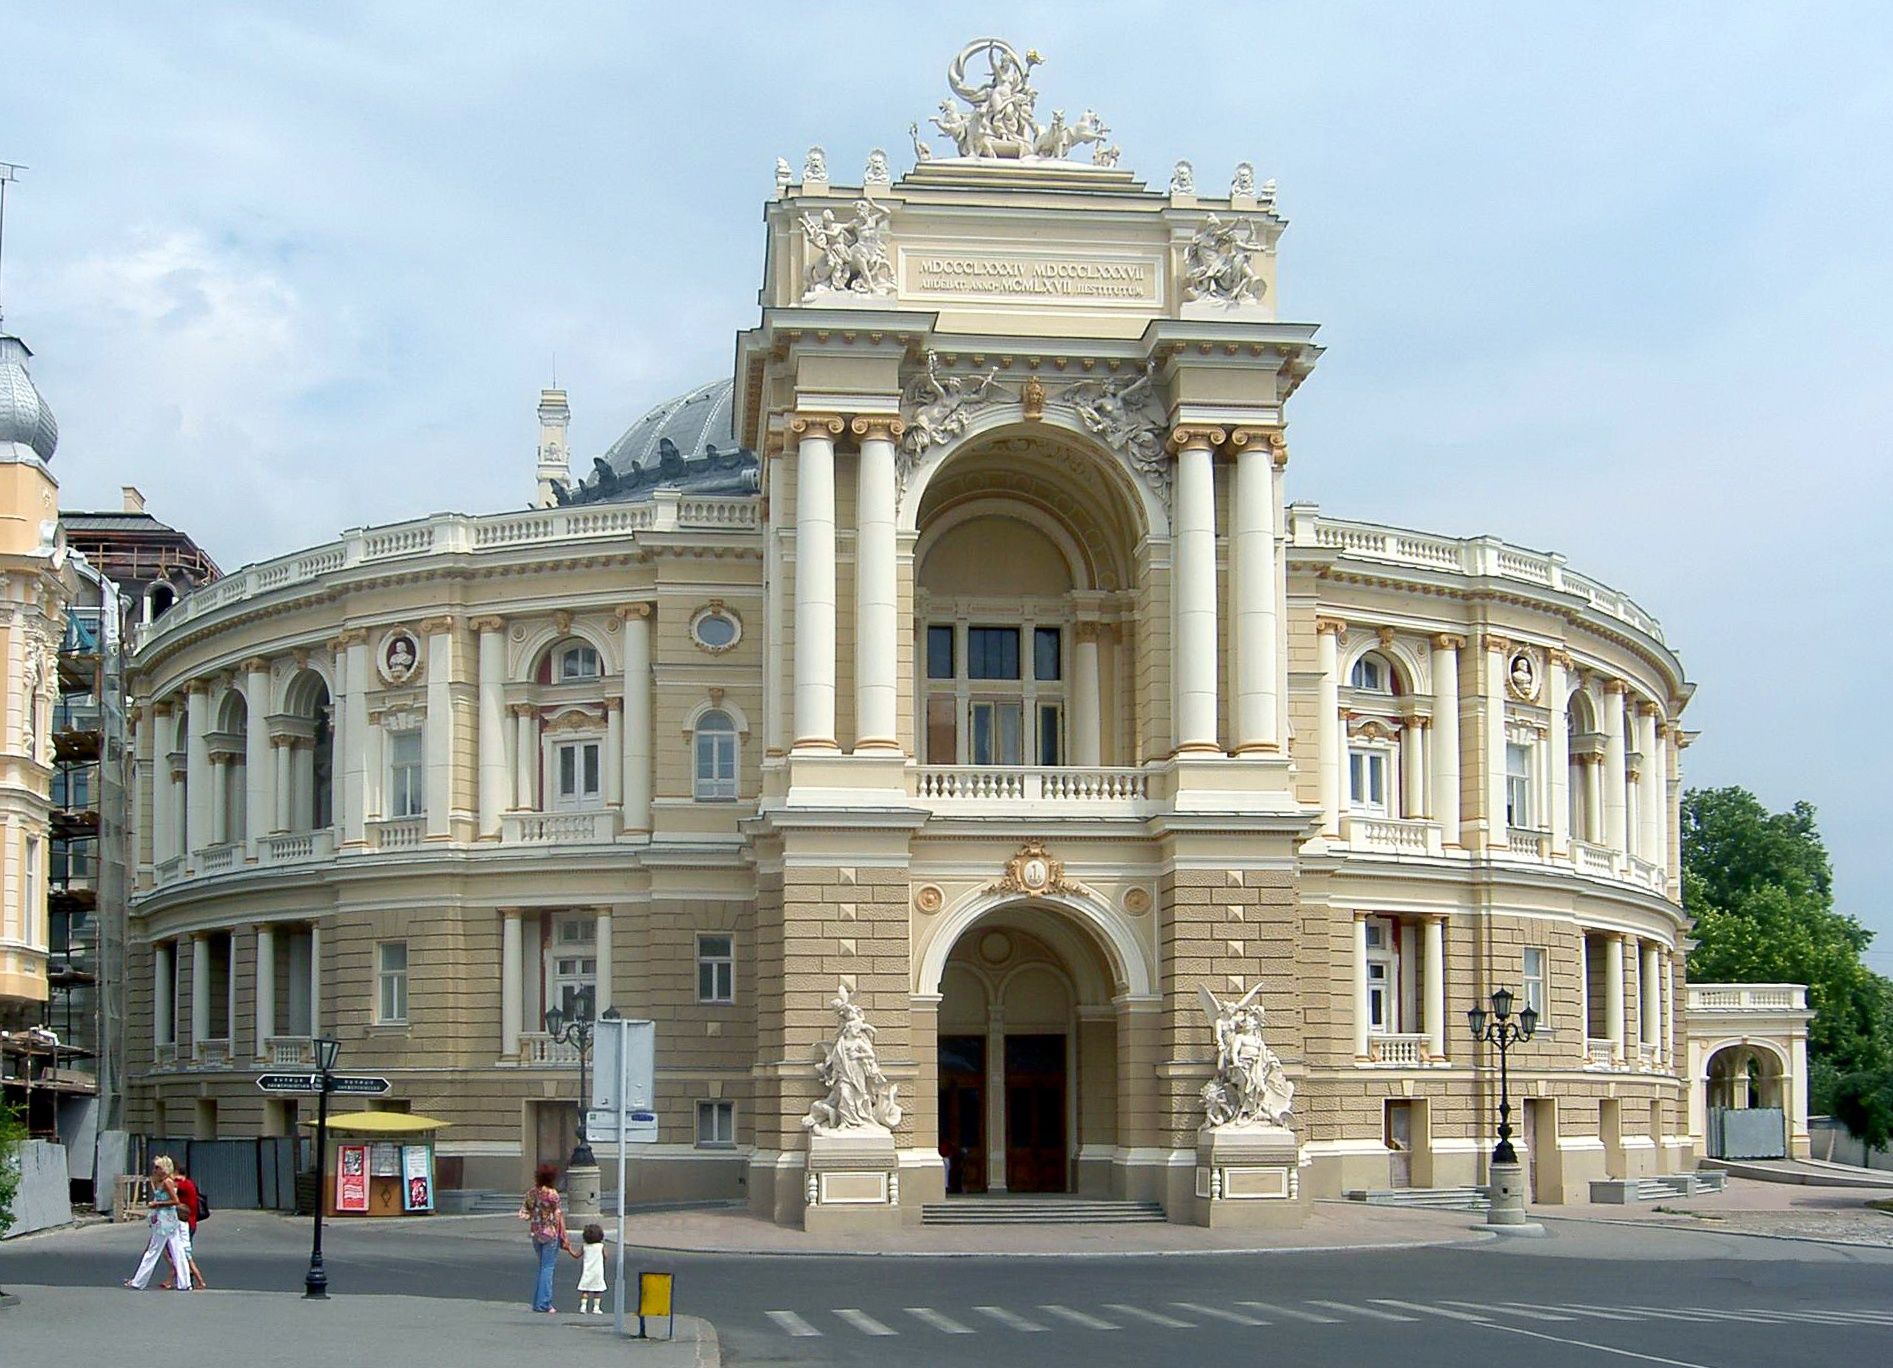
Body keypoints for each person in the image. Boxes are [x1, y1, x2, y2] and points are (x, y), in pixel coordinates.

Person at [124, 1156, 190, 1291]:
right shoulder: (163, 1181)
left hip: (165, 1220)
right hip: (166, 1219)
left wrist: (157, 1204)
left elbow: (175, 1200)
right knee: (177, 1250)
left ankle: (139, 1281)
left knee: (153, 1250)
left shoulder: (167, 1182)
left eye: (157, 1167)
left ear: (164, 1169)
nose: (155, 1170)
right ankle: (184, 1283)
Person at [517, 1162, 567, 1314]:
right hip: (550, 1233)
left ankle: (538, 1302)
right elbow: (558, 1216)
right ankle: (544, 1303)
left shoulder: (532, 1193)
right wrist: (563, 1235)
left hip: (536, 1234)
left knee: (542, 1267)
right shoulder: (553, 1194)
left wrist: (534, 1215)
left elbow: (523, 1213)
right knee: (548, 1268)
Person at [160, 1166, 207, 1290]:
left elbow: (170, 1187)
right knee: (180, 1254)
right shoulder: (190, 1184)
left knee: (181, 1254)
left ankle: (190, 1278)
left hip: (185, 1223)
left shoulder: (184, 1184)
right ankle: (176, 1278)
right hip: (188, 1223)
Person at [573, 1222, 607, 1315]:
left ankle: (583, 1307)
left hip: (587, 1271)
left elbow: (576, 1255)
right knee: (598, 1290)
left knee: (585, 1289)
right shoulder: (601, 1246)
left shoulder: (585, 1246)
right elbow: (606, 1256)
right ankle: (596, 1307)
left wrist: (569, 1249)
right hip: (598, 1271)